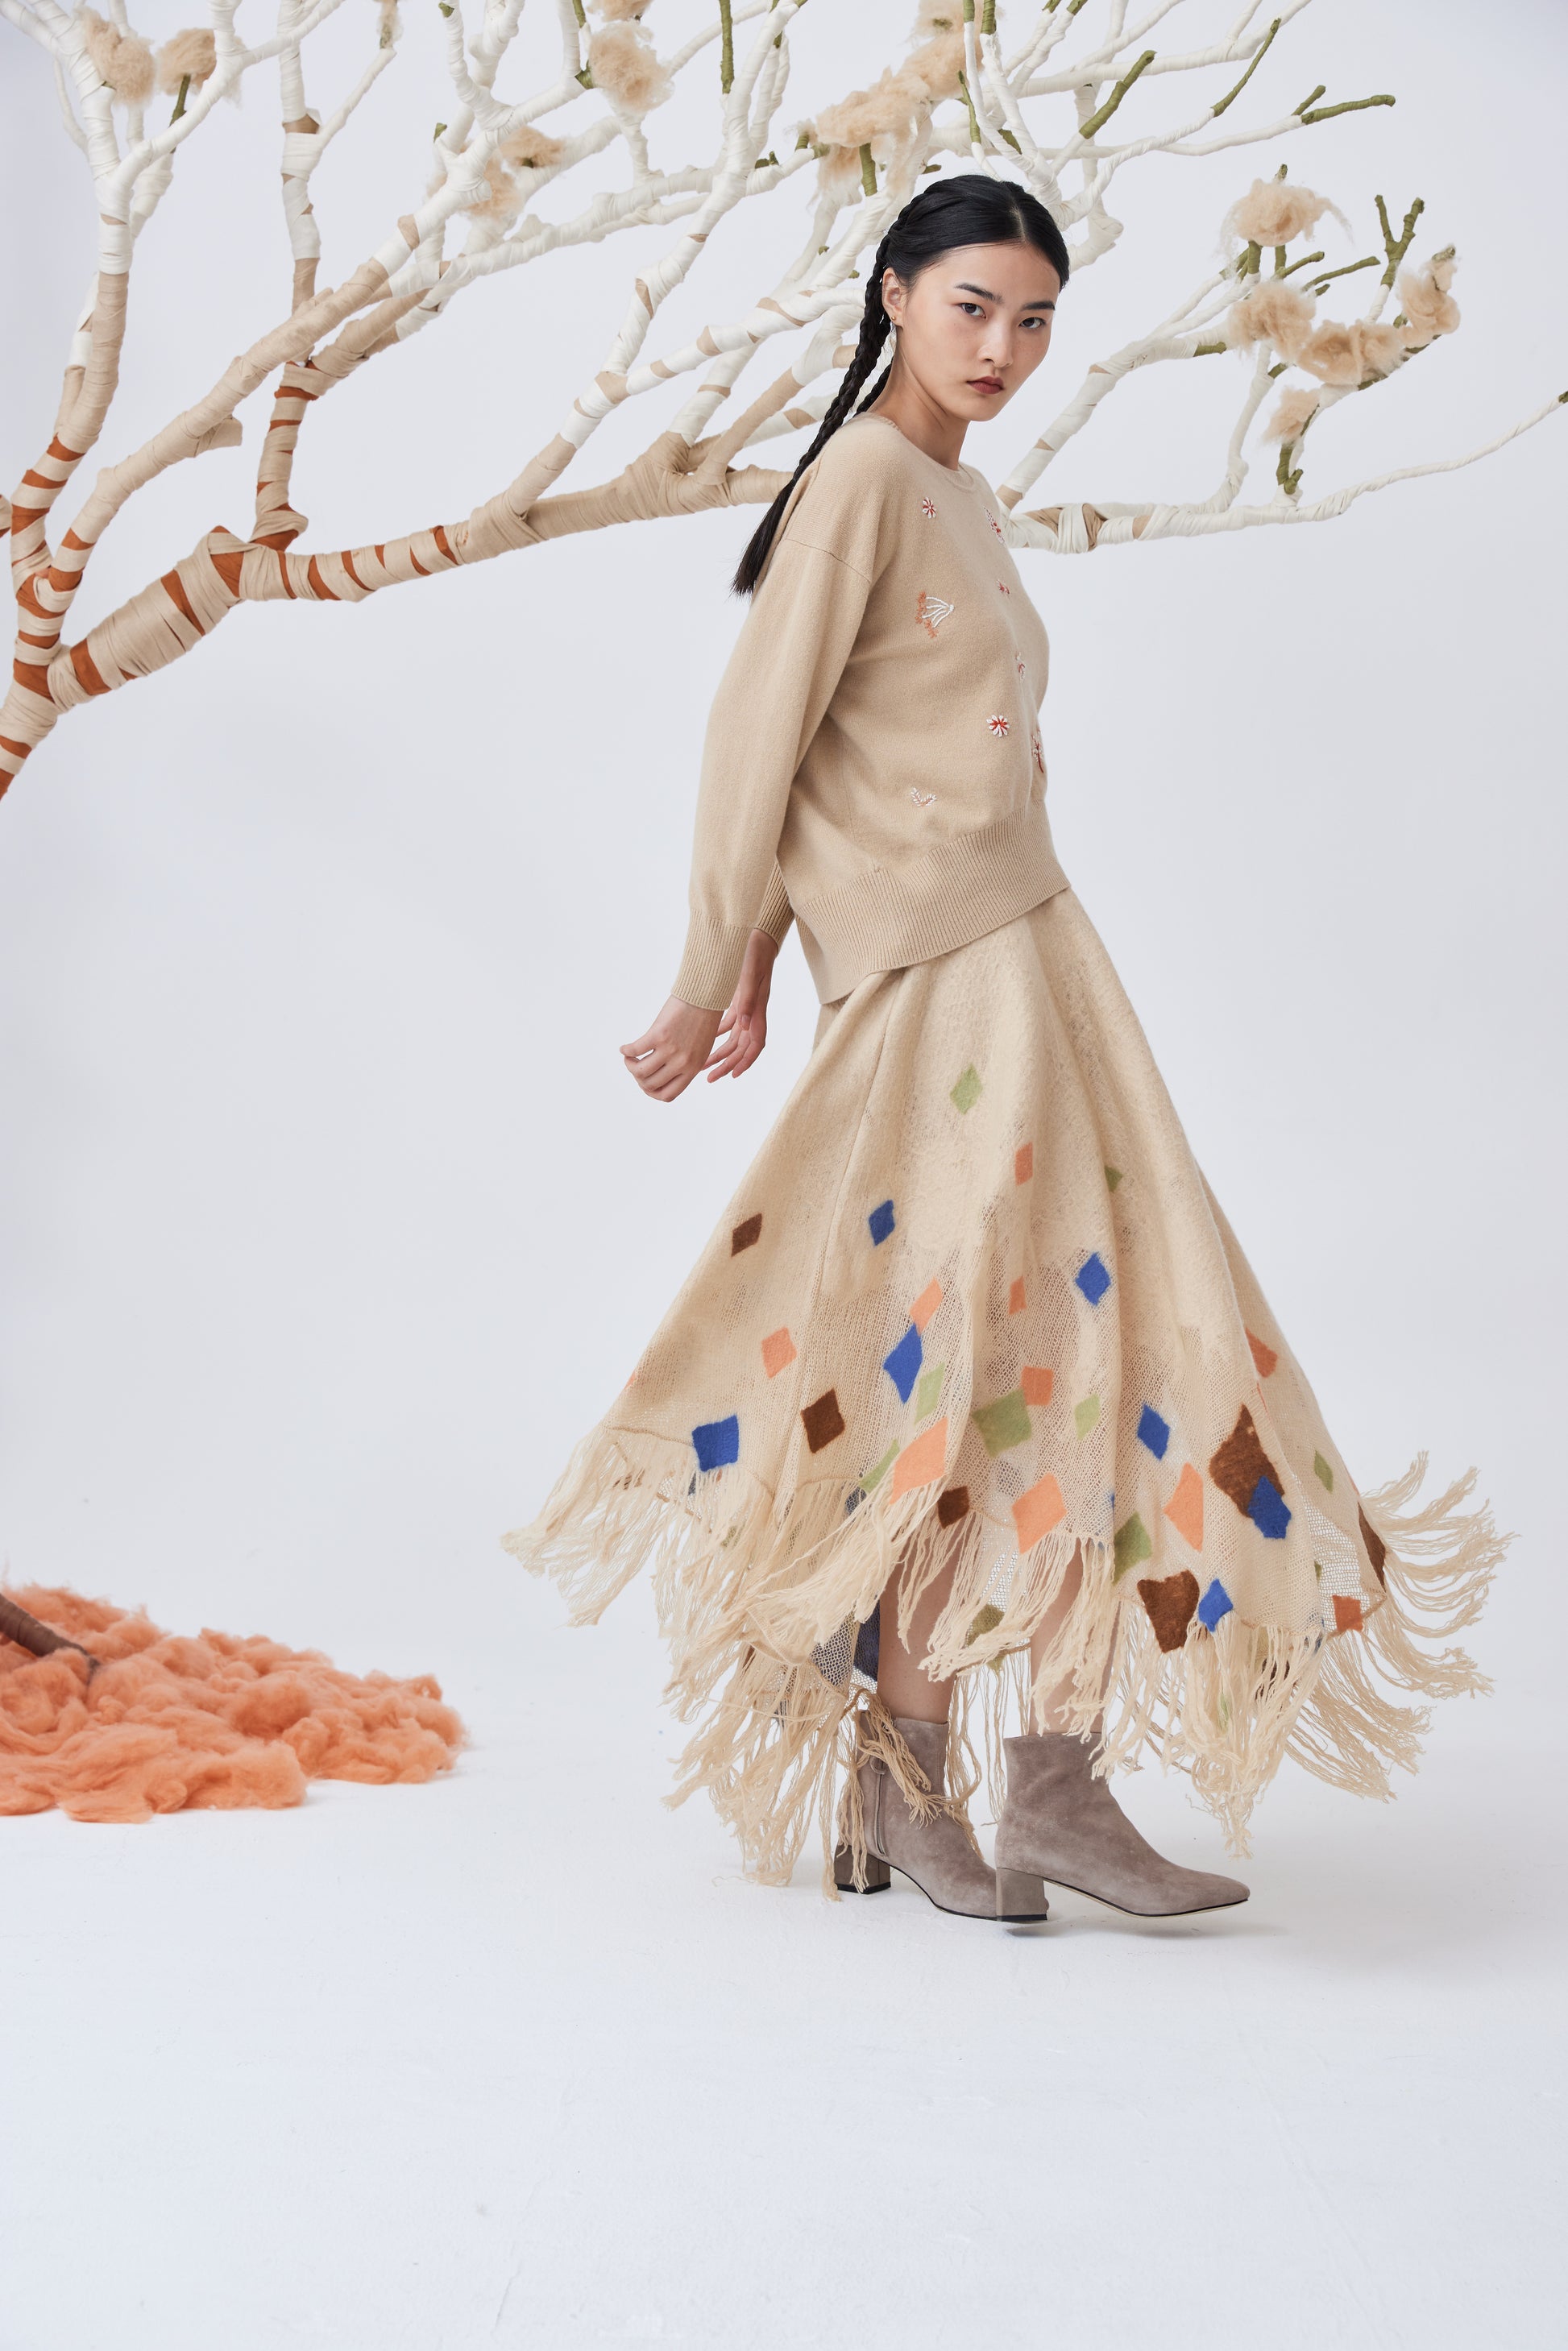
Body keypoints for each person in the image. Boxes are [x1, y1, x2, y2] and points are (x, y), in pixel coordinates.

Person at [505, 174, 1500, 1925]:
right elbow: (757, 743)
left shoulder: (957, 490)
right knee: (982, 1345)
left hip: (1030, 948)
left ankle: (1036, 1779)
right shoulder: (860, 483)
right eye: (971, 305)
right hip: (947, 974)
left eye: (1033, 319)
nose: (1002, 348)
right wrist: (714, 968)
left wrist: (768, 955)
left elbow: (879, 740)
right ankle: (926, 1783)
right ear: (892, 293)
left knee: (1055, 1340)